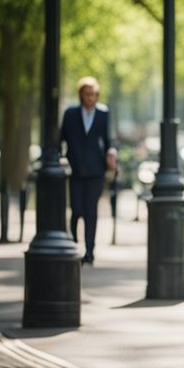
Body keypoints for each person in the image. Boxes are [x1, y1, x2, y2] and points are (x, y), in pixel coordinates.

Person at [60, 76, 116, 264]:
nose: (90, 98)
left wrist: (111, 152)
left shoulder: (103, 114)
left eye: (93, 94)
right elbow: (61, 139)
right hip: (75, 169)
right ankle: (74, 243)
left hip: (95, 171)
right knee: (77, 209)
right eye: (87, 94)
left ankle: (90, 252)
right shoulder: (70, 114)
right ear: (81, 95)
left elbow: (109, 140)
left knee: (91, 211)